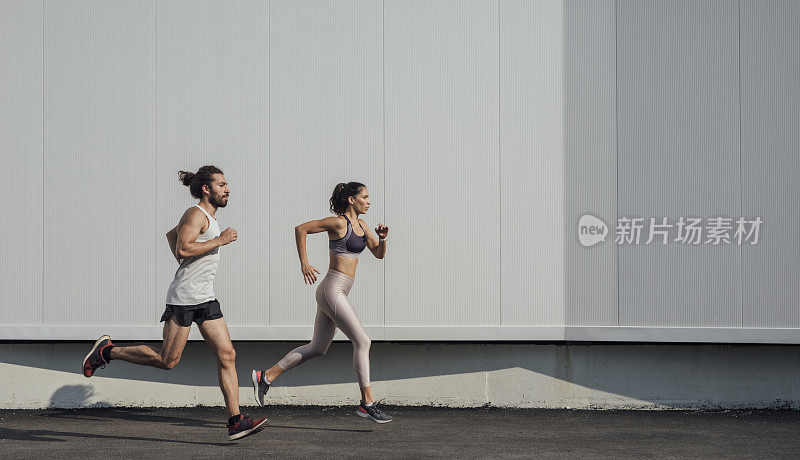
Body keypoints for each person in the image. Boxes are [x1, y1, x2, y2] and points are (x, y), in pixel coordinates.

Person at [81, 165, 267, 440]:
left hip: (205, 298)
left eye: (227, 184)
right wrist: (220, 240)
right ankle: (107, 352)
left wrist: (201, 250)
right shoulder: (196, 214)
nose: (227, 189)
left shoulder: (207, 217)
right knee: (167, 361)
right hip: (184, 299)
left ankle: (235, 421)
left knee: (227, 355)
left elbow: (172, 236)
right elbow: (181, 247)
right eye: (222, 184)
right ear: (206, 189)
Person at [251, 182, 392, 423]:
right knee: (363, 341)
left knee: (318, 347)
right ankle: (367, 403)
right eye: (365, 197)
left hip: (339, 292)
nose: (369, 201)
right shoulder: (338, 223)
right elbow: (301, 229)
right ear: (351, 200)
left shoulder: (363, 226)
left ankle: (264, 377)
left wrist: (382, 239)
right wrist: (304, 263)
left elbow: (378, 254)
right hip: (332, 289)